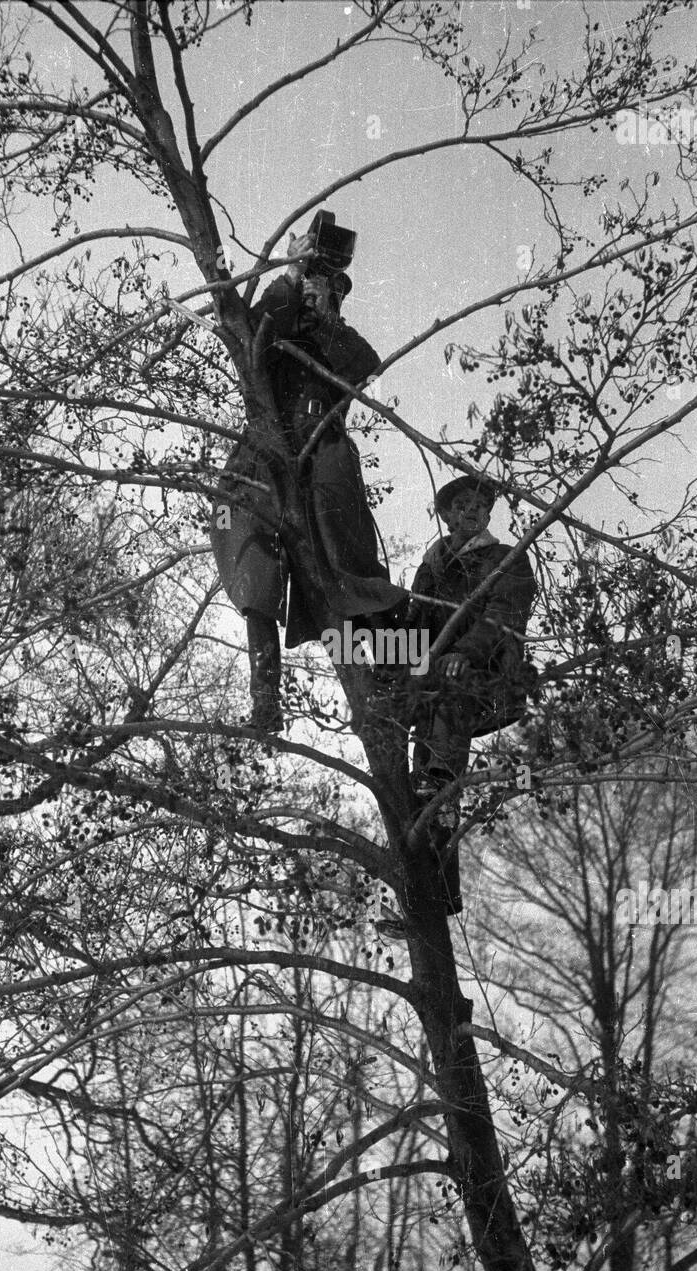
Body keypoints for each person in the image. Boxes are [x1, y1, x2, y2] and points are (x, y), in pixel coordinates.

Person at [211, 220, 406, 731]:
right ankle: (264, 699)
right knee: (256, 575)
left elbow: (364, 365)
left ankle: (388, 678)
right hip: (261, 458)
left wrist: (322, 318)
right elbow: (244, 331)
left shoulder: (339, 343)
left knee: (347, 568)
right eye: (315, 282)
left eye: (333, 287)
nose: (323, 291)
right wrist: (289, 275)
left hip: (322, 454)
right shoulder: (271, 335)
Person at [405, 476, 538, 913]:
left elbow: (504, 616)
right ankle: (436, 895)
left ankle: (435, 887)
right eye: (461, 505)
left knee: (438, 778)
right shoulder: (431, 565)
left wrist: (463, 653)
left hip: (487, 679)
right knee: (420, 781)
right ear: (446, 515)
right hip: (436, 688)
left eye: (480, 505)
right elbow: (415, 624)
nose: (472, 512)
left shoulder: (506, 558)